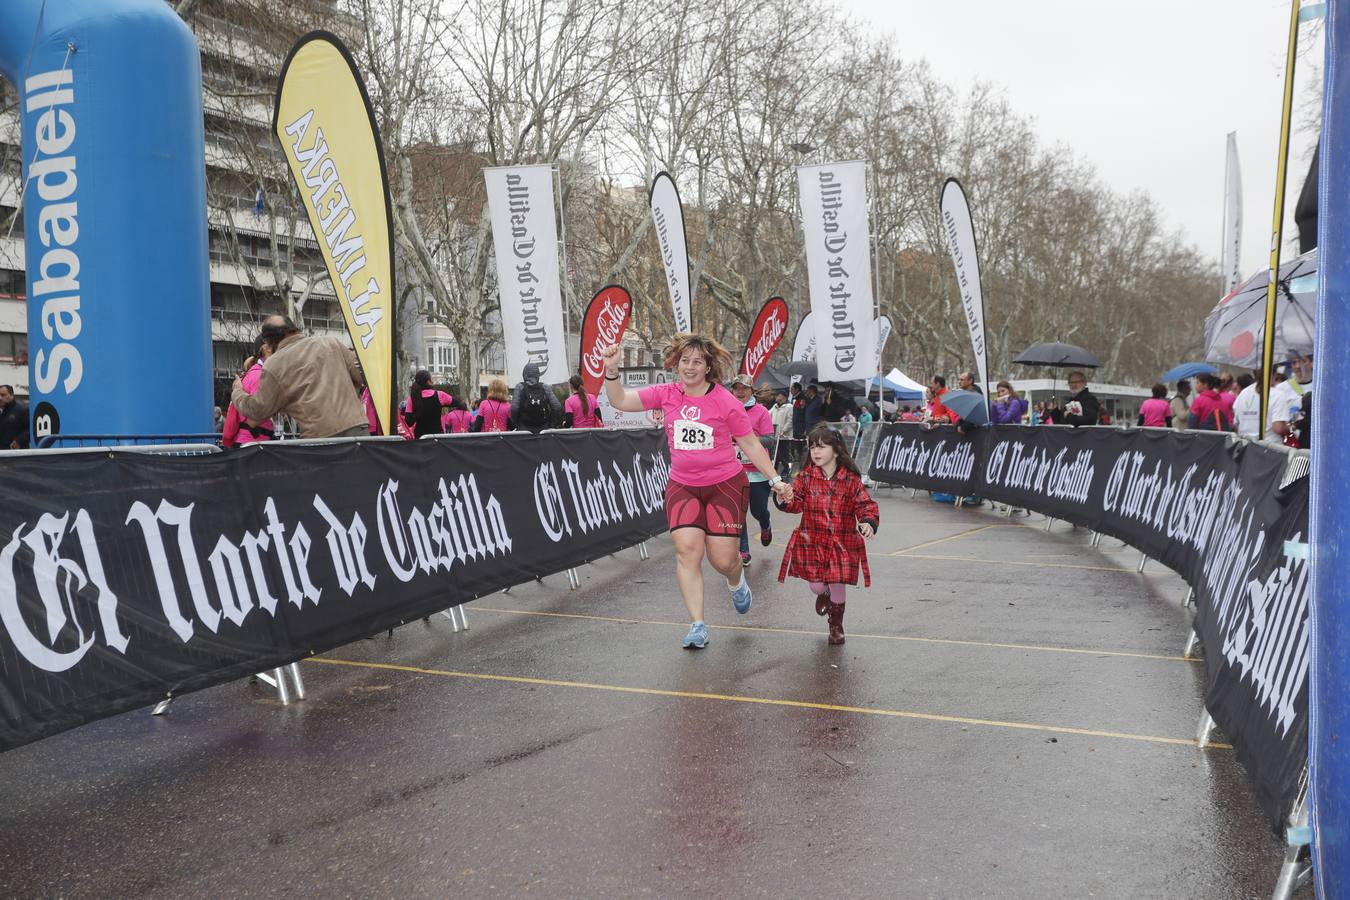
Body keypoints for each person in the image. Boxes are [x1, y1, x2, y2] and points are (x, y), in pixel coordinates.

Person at [599, 335, 790, 650]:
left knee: (723, 559)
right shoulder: (667, 393)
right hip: (683, 485)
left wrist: (775, 480)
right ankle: (697, 625)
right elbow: (620, 401)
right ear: (677, 363)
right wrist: (611, 370)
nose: (690, 367)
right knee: (687, 552)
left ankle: (735, 582)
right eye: (685, 360)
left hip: (725, 485)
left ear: (707, 366)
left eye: (697, 361)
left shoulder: (725, 401)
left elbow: (751, 444)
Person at [776, 425, 879, 645]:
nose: (816, 451)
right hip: (812, 540)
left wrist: (868, 521)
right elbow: (796, 503)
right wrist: (785, 497)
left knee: (837, 579)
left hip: (842, 541)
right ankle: (824, 595)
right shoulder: (805, 477)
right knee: (817, 585)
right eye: (812, 446)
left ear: (836, 449)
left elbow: (865, 504)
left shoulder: (850, 480)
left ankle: (836, 624)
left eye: (822, 446)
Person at [230, 315, 367, 438]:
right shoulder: (330, 342)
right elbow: (361, 375)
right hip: (358, 429)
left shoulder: (274, 364)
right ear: (295, 328)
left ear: (268, 342)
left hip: (320, 439)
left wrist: (237, 391)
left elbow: (258, 410)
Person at [730, 374, 775, 567]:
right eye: (737, 388)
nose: (740, 392)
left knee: (758, 511)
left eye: (744, 388)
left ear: (751, 390)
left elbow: (770, 440)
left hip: (757, 471)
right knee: (738, 513)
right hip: (733, 471)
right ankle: (743, 551)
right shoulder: (727, 410)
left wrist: (747, 441)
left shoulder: (761, 412)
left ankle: (765, 525)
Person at [222, 346, 276, 447]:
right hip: (253, 444)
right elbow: (253, 420)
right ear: (267, 348)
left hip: (251, 442)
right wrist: (278, 404)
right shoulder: (259, 375)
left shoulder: (254, 373)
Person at [1268, 355, 1312, 445]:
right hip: (1291, 443)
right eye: (1294, 363)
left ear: (1312, 363)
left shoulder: (1323, 386)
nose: (1298, 366)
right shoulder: (1281, 389)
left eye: (1303, 361)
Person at [401, 370, 455, 439]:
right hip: (437, 437)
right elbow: (456, 402)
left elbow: (408, 422)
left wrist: (417, 414)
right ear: (428, 381)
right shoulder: (439, 395)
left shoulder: (412, 398)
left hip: (420, 438)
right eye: (431, 379)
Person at [511, 362, 561, 434]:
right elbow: (557, 406)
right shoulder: (545, 387)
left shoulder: (520, 387)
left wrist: (516, 423)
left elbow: (514, 408)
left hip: (524, 430)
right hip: (544, 429)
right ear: (538, 375)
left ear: (524, 374)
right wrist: (551, 424)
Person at [0, 385, 30, 449]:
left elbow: (30, 429)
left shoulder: (22, 410)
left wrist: (18, 440)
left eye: (3, 395)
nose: (0, 398)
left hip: (17, 454)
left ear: (11, 395)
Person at [771, 391, 794, 474]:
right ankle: (774, 469)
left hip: (784, 436)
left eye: (778, 395)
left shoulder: (789, 407)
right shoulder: (775, 406)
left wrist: (783, 430)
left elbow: (790, 421)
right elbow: (768, 414)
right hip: (775, 435)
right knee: (776, 453)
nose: (776, 397)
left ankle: (787, 468)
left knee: (784, 453)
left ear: (783, 396)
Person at [1232, 373, 1261, 438]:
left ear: (1239, 386)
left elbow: (1235, 423)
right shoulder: (1261, 395)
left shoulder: (1241, 396)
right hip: (1262, 440)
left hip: (1244, 438)